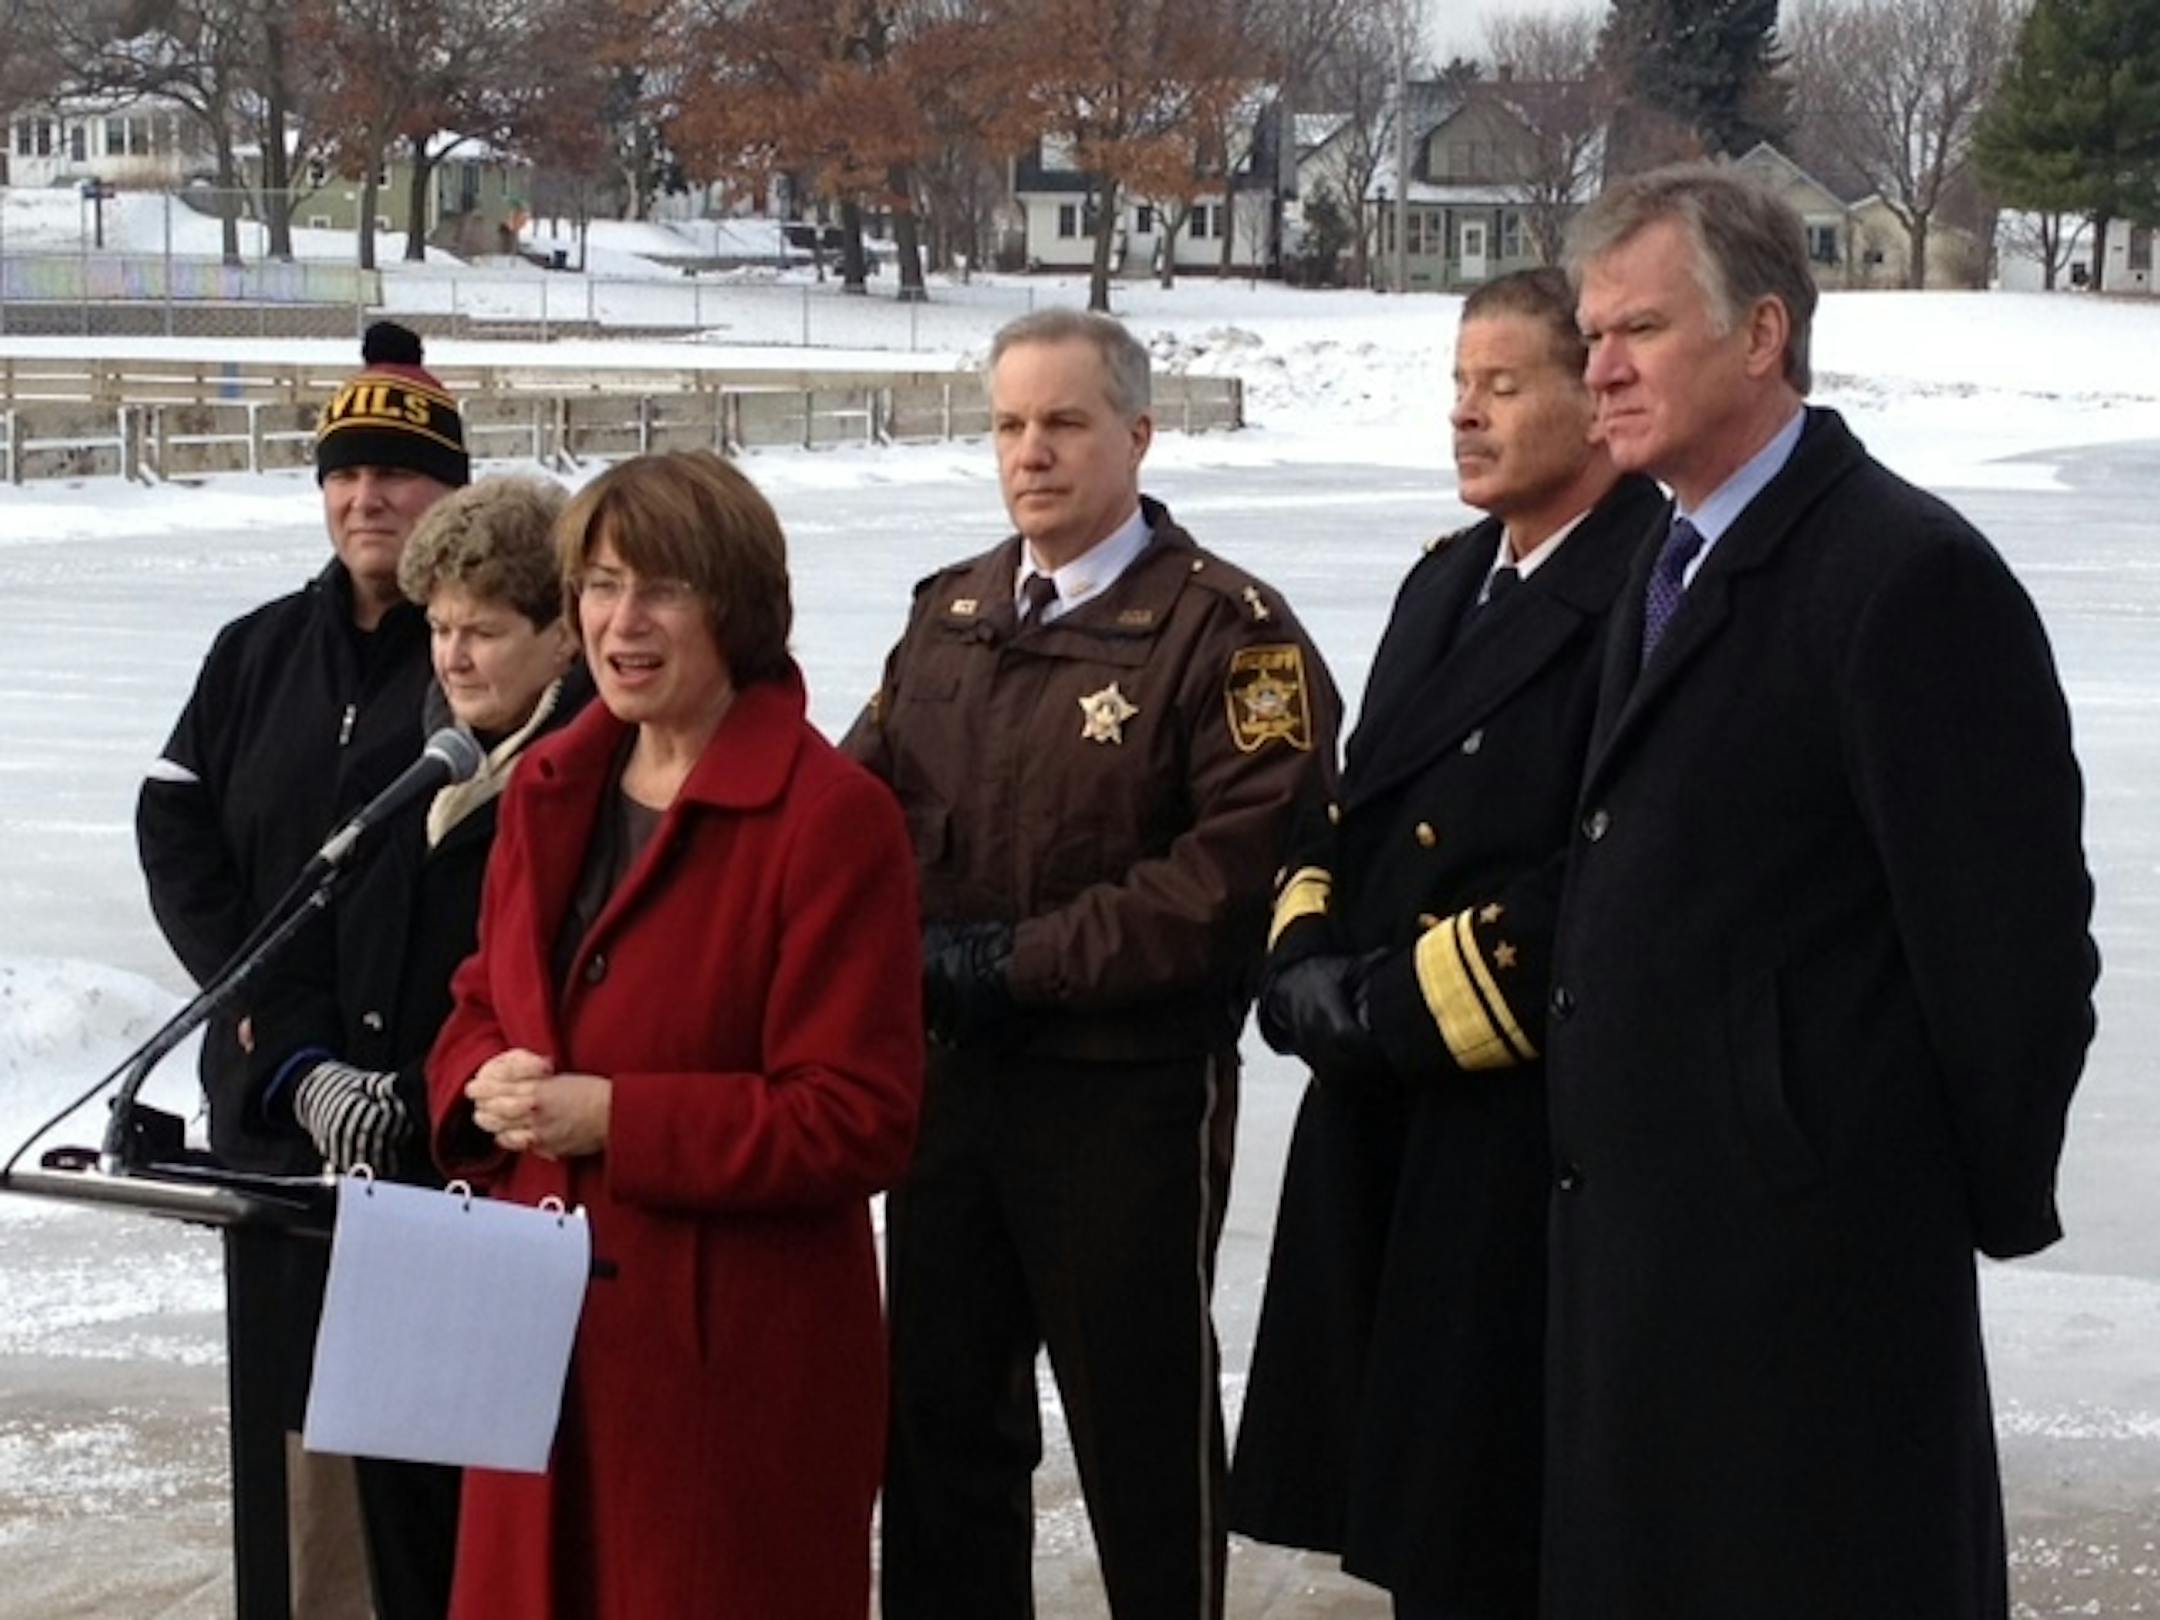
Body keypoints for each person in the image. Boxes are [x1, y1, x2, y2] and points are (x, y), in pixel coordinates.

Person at [1545, 165, 2097, 1617]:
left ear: (1764, 335)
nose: (1596, 369)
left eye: (1638, 331)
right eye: (1590, 333)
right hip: (1646, 1268)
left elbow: (2014, 953)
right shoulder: (1660, 561)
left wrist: (1881, 1192)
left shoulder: (1905, 578)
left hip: (1817, 1291)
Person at [844, 307, 1341, 1620]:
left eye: (1063, 423)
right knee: (941, 1426)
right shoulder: (946, 621)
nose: (1032, 454)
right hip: (951, 1094)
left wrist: (1013, 964)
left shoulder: (1230, 636)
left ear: (1137, 432)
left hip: (1122, 1096)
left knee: (1141, 1433)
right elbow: (850, 818)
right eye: (1010, 425)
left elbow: (1225, 879)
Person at [1228, 268, 1665, 1620]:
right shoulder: (1447, 582)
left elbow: (1603, 879)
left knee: (1497, 1524)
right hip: (1391, 1119)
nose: (1465, 417)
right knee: (1420, 1521)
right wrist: (1301, 962)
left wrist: (1385, 1011)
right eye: (1458, 387)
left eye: (1503, 385)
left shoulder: (1647, 589)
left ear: (1596, 408)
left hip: (1513, 1128)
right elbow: (1353, 804)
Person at [424, 450, 922, 1620]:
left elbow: (858, 1118)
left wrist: (618, 1117)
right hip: (534, 1352)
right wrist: (473, 1078)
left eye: (662, 590)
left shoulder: (834, 820)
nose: (622, 622)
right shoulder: (549, 785)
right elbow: (479, 998)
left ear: (735, 608)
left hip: (725, 1380)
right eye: (598, 586)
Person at [135, 318, 467, 1620]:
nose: (364, 496)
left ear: (450, 488)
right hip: (275, 1113)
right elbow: (175, 830)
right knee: (297, 1459)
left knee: (432, 1464)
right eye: (343, 471)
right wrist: (264, 1013)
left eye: (394, 472)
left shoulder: (482, 659)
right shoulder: (255, 651)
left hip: (425, 1124)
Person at [246, 475, 589, 1620]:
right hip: (384, 1211)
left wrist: (412, 1089)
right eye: (439, 626)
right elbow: (296, 934)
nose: (453, 655)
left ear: (562, 632)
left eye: (486, 630)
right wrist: (304, 1074)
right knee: (399, 1536)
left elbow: (550, 996)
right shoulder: (410, 757)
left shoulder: (593, 779)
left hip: (504, 1207)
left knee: (495, 1547)